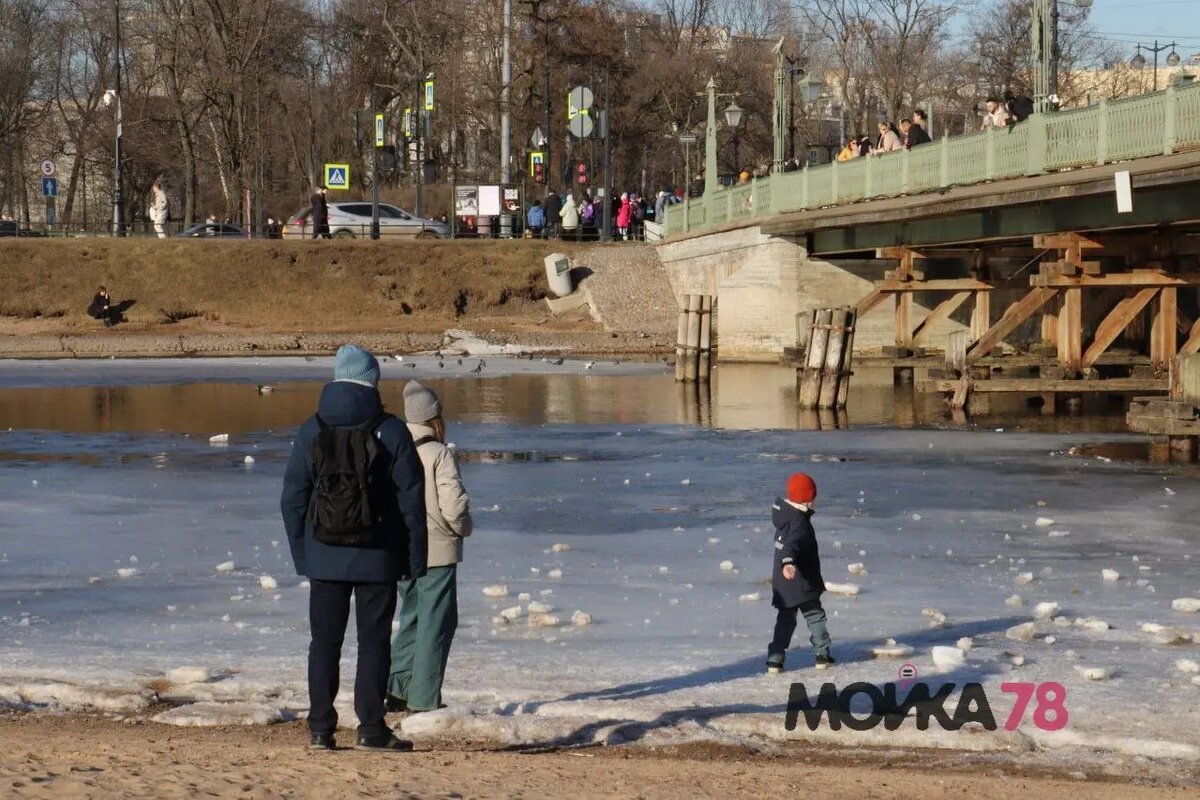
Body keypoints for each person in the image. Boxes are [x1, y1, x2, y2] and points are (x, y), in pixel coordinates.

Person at [280, 344, 428, 751]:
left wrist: (303, 554)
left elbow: (292, 497)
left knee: (323, 643)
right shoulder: (392, 430)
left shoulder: (312, 428)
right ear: (373, 382)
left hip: (323, 555)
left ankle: (320, 729)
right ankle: (370, 727)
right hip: (378, 556)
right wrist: (415, 559)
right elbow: (412, 502)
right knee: (374, 643)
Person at [387, 381, 472, 714]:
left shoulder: (393, 450)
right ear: (434, 417)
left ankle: (396, 689)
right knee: (436, 624)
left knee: (411, 618)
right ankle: (423, 700)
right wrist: (463, 530)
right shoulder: (439, 454)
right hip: (437, 551)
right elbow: (454, 507)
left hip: (401, 549)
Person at [766, 472, 833, 674]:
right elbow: (791, 546)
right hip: (801, 580)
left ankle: (775, 659)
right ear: (807, 499)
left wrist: (785, 564)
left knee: (785, 619)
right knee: (815, 616)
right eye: (811, 498)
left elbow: (786, 544)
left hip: (783, 583)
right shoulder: (799, 522)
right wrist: (788, 562)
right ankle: (822, 655)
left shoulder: (783, 516)